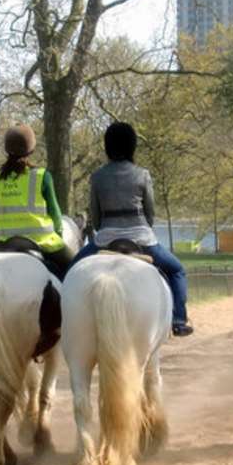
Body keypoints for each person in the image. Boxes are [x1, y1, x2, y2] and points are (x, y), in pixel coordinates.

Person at [71, 122, 194, 337]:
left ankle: (64, 322)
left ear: (107, 146)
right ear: (132, 147)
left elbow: (96, 217)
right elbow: (150, 213)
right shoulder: (143, 174)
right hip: (142, 239)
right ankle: (179, 320)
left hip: (105, 239)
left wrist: (107, 228)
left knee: (71, 271)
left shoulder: (97, 177)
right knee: (176, 270)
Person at [0, 124, 74, 279]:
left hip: (3, 243)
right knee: (76, 269)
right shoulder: (42, 176)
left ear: (7, 150)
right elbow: (55, 213)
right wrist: (59, 234)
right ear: (31, 150)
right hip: (41, 241)